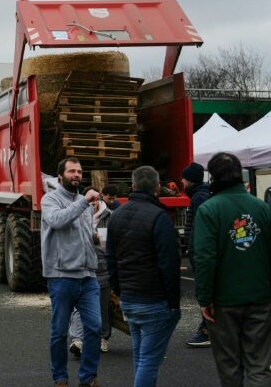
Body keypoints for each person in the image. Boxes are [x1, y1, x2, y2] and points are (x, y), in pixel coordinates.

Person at [194, 152, 271, 386]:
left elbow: (205, 258)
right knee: (259, 364)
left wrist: (204, 298)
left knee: (230, 367)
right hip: (261, 297)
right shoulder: (262, 208)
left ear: (213, 177)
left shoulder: (208, 210)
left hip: (223, 301)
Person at [106, 165, 181, 387]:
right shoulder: (160, 218)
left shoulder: (116, 216)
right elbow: (169, 264)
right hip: (154, 300)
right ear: (158, 188)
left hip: (129, 298)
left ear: (133, 186)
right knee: (148, 360)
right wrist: (174, 303)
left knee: (140, 356)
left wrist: (119, 291)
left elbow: (111, 259)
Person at [41, 157, 102, 387]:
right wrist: (84, 202)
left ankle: (88, 377)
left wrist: (101, 239)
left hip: (88, 276)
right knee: (59, 332)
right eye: (72, 171)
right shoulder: (50, 199)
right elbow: (57, 221)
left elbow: (87, 235)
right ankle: (60, 378)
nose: (77, 175)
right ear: (60, 176)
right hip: (61, 276)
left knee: (94, 328)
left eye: (79, 171)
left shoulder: (83, 203)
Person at [69, 191, 113, 357]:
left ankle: (103, 337)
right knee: (78, 305)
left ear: (99, 201)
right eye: (89, 202)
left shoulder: (110, 216)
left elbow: (113, 241)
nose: (92, 205)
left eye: (94, 202)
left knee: (103, 306)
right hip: (81, 267)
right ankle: (77, 340)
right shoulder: (77, 216)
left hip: (102, 268)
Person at [180, 162, 212, 348]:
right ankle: (207, 328)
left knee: (204, 292)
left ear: (190, 180)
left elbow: (201, 230)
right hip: (198, 252)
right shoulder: (201, 195)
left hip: (199, 253)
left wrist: (194, 253)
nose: (182, 182)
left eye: (184, 178)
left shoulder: (199, 198)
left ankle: (207, 330)